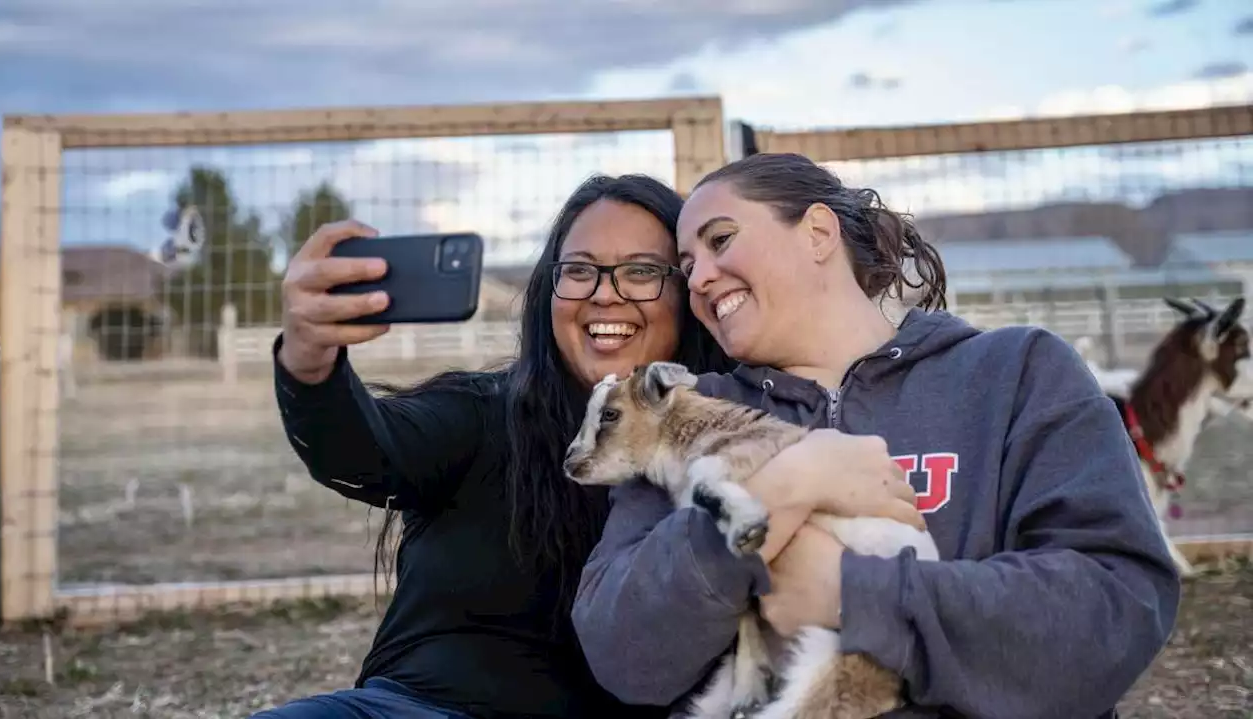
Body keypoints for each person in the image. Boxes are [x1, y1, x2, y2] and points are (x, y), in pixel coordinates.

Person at [252, 172, 924, 719]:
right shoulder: (483, 414)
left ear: (686, 295)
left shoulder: (737, 436)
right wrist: (310, 361)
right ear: (550, 289)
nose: (607, 296)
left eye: (641, 271)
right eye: (579, 270)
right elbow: (362, 450)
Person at [571, 153, 1182, 719]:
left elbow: (1114, 609)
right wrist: (779, 487)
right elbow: (620, 652)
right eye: (686, 267)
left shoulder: (1014, 375)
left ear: (817, 233)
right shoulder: (693, 414)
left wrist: (853, 593)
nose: (700, 277)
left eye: (721, 241)